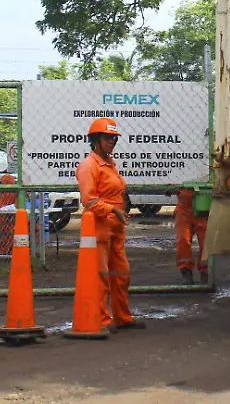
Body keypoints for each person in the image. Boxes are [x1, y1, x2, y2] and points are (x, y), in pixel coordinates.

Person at [75, 117, 146, 334]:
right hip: (99, 227)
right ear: (95, 139)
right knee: (101, 277)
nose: (111, 142)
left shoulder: (109, 164)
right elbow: (89, 200)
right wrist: (112, 209)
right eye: (107, 138)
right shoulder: (89, 165)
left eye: (114, 138)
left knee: (121, 275)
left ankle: (123, 318)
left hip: (116, 228)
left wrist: (120, 208)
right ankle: (101, 321)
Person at [174, 188, 208, 284]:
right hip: (184, 206)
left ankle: (205, 272)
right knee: (182, 238)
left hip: (204, 203)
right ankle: (186, 272)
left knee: (205, 241)